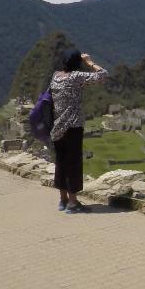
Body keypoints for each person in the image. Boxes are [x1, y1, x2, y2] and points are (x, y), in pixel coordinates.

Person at [49, 47, 106, 213]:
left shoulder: (55, 76)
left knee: (61, 162)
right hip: (73, 127)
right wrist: (89, 62)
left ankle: (63, 200)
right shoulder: (76, 77)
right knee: (73, 163)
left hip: (57, 128)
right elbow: (103, 75)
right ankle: (73, 204)